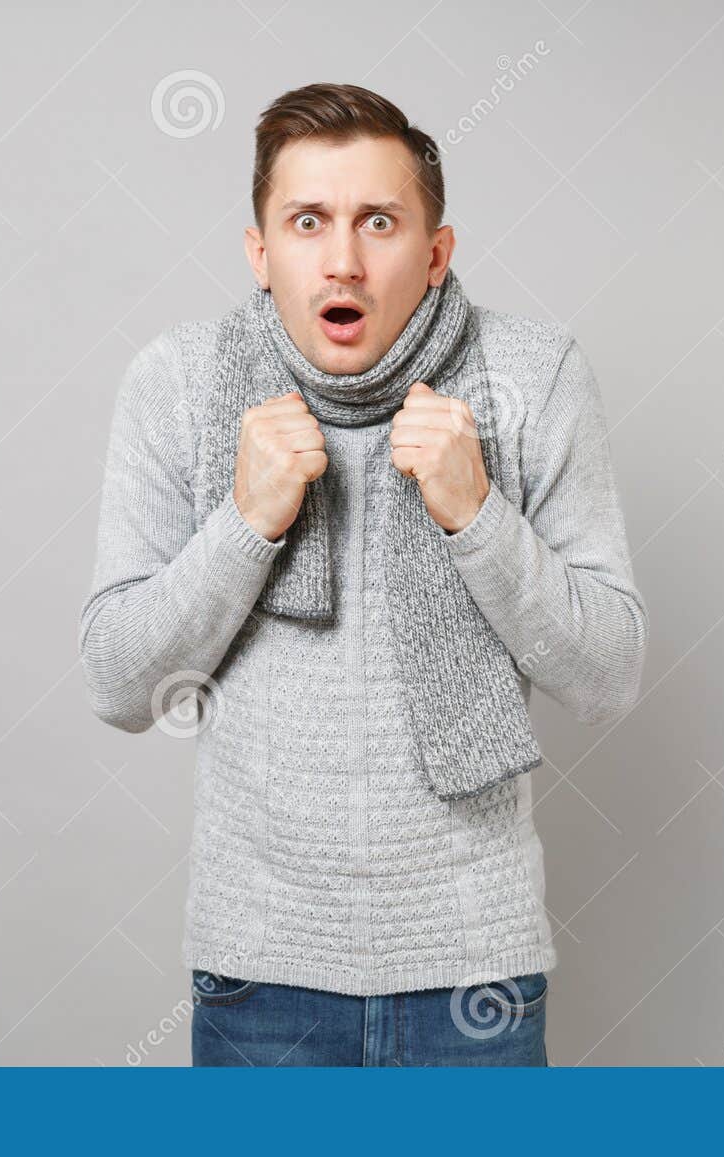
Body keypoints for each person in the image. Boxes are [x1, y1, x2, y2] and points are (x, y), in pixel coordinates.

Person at [78, 82, 647, 1066]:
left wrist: (476, 514)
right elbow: (121, 685)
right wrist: (246, 520)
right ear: (260, 251)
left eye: (377, 221)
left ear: (434, 252)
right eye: (307, 221)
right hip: (260, 978)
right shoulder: (177, 382)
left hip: (477, 976)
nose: (342, 258)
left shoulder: (532, 376)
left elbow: (607, 675)